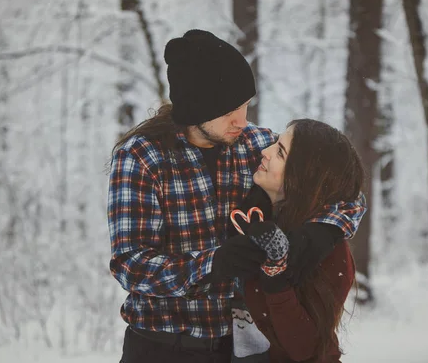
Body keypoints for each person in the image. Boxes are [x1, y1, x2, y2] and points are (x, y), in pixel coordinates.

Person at [107, 29, 366, 363]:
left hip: (245, 349)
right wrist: (212, 264)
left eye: (245, 106)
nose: (241, 121)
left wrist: (317, 235)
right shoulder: (142, 158)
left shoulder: (259, 145)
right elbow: (130, 264)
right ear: (196, 109)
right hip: (163, 346)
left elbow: (342, 187)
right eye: (229, 110)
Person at [229, 118, 365, 363]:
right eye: (276, 143)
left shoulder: (330, 253)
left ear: (303, 177)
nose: (265, 151)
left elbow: (305, 349)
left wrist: (276, 276)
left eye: (280, 152)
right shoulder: (257, 214)